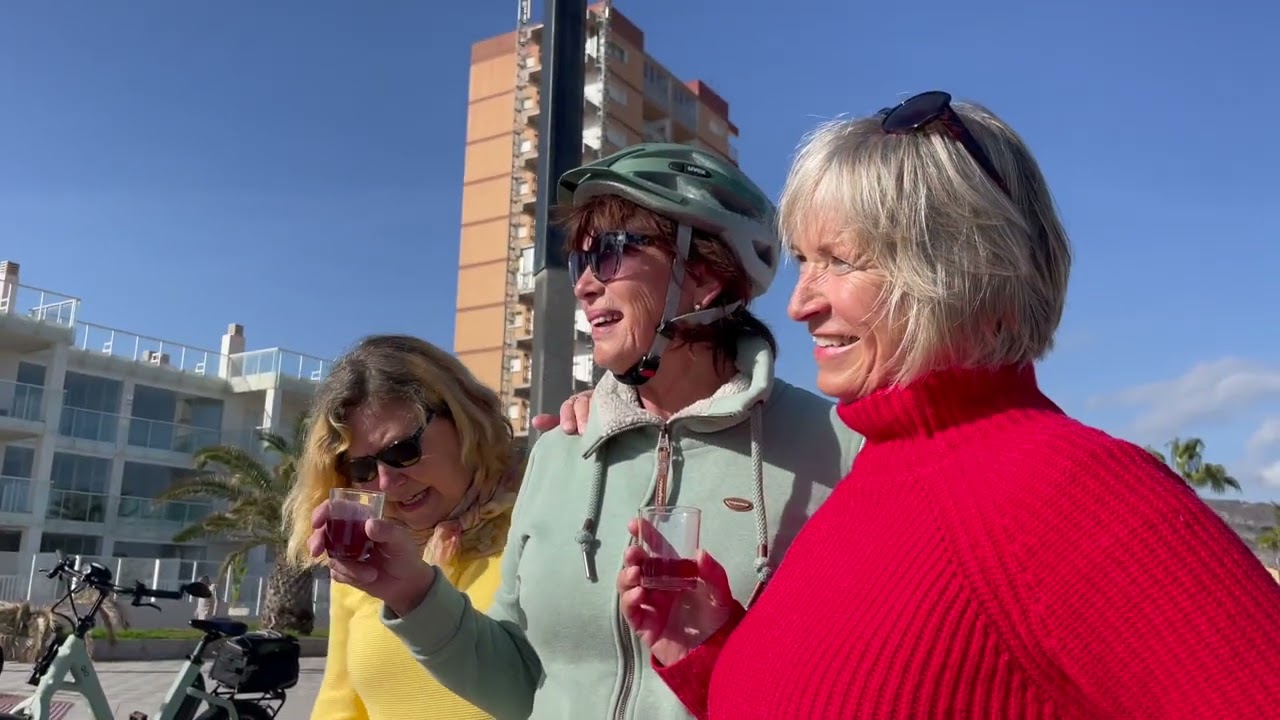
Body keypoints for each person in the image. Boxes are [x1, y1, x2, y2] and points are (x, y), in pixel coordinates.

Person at [619, 91, 1280, 719]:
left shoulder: (1068, 492)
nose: (799, 304)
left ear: (961, 265)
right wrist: (708, 651)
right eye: (801, 262)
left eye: (839, 262)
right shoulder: (872, 481)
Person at [315, 143, 863, 720]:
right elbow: (524, 686)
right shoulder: (559, 454)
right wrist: (411, 592)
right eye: (580, 261)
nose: (583, 284)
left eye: (610, 253)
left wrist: (723, 647)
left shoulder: (839, 450)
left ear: (705, 276)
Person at [286, 334, 522, 720]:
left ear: (464, 419)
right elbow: (339, 704)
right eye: (362, 469)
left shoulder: (542, 520)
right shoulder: (367, 559)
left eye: (402, 451)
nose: (385, 482)